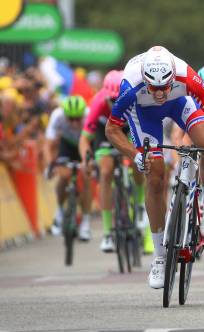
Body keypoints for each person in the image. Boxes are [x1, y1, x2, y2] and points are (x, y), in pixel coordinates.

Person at [106, 46, 204, 289]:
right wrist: (135, 154)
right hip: (143, 114)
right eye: (154, 88)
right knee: (155, 177)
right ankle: (160, 257)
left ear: (173, 77)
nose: (160, 93)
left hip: (179, 103)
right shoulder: (130, 86)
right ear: (145, 80)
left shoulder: (186, 74)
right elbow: (111, 129)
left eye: (165, 87)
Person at [80, 70, 151, 253]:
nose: (115, 104)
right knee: (105, 172)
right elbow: (85, 139)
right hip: (106, 134)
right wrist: (86, 159)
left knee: (139, 160)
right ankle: (107, 234)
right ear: (105, 96)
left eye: (119, 100)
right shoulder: (97, 102)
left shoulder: (135, 99)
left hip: (128, 130)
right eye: (112, 100)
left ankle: (140, 203)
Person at [46, 95, 92, 241]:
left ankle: (86, 222)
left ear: (83, 115)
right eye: (70, 119)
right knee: (64, 175)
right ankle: (59, 210)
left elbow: (96, 140)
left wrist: (92, 162)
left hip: (84, 143)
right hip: (66, 144)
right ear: (64, 115)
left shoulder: (90, 114)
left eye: (77, 119)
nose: (74, 123)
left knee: (86, 178)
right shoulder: (57, 116)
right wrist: (50, 164)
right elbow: (48, 145)